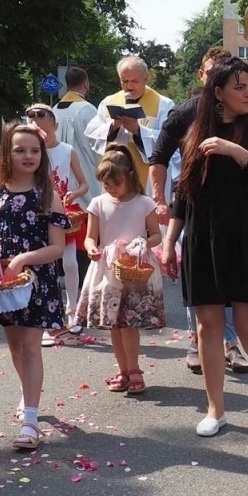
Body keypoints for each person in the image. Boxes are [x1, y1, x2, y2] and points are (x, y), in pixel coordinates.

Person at [160, 58, 248, 436]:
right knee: (208, 326)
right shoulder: (196, 133)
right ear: (217, 92)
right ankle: (215, 409)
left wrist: (234, 151)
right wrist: (171, 241)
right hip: (204, 238)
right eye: (239, 87)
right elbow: (183, 195)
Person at [148, 46, 247, 375]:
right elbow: (158, 158)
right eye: (212, 72)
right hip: (192, 207)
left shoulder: (242, 114)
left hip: (234, 212)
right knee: (199, 277)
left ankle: (231, 344)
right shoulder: (185, 113)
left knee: (231, 279)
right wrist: (160, 200)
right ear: (203, 76)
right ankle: (196, 339)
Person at [0, 124, 69, 452]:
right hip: (6, 286)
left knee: (30, 347)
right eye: (20, 150)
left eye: (34, 150)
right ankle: (28, 397)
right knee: (15, 348)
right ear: (7, 153)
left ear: (42, 155)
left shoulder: (49, 195)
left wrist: (26, 258)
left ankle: (30, 421)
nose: (28, 156)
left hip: (37, 283)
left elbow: (57, 248)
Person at [75, 146, 163, 394]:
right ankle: (122, 369)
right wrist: (92, 248)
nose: (110, 188)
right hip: (107, 269)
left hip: (134, 267)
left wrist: (143, 243)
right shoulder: (98, 203)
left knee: (129, 323)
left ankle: (134, 368)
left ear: (130, 177)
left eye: (115, 183)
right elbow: (91, 237)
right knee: (114, 323)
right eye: (105, 184)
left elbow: (155, 234)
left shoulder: (144, 203)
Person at [25, 102, 87, 340]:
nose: (42, 135)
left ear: (55, 126)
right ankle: (46, 319)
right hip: (36, 211)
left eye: (45, 130)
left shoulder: (67, 150)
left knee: (70, 263)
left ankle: (72, 312)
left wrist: (76, 193)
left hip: (63, 211)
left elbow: (83, 183)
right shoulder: (32, 154)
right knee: (43, 267)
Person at [86, 54, 174, 164]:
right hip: (116, 171)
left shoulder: (164, 105)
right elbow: (92, 134)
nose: (129, 86)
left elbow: (169, 141)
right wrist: (113, 127)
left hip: (147, 176)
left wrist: (139, 131)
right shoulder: (108, 102)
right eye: (125, 81)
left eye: (134, 81)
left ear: (146, 78)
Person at [54, 65, 100, 188]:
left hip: (59, 172)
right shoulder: (87, 110)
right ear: (86, 83)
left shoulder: (54, 110)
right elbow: (96, 145)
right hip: (85, 174)